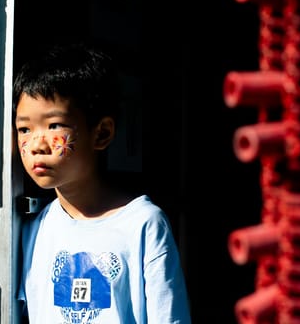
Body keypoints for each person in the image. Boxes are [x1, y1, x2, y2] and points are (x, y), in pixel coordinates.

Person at [13, 42, 192, 323]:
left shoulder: (143, 224)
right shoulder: (33, 229)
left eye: (54, 125)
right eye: (24, 128)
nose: (36, 144)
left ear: (101, 134)